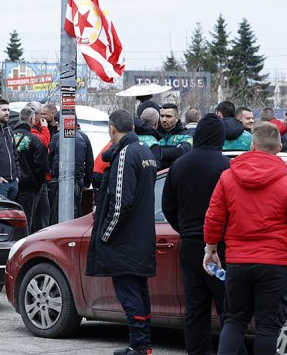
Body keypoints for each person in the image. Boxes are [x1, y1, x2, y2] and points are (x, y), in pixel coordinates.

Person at [204, 121, 287, 355]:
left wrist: (210, 248)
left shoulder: (228, 178)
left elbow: (214, 217)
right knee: (267, 327)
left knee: (234, 320)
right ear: (280, 147)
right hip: (275, 263)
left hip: (238, 262)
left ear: (252, 145)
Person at [86, 109, 158, 355]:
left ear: (111, 128)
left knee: (129, 295)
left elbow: (121, 201)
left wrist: (105, 234)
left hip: (125, 241)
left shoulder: (127, 154)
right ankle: (142, 345)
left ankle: (139, 346)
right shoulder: (144, 151)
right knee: (139, 292)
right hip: (140, 238)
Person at [161, 113, 231, 355]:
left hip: (189, 244)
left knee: (195, 305)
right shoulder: (226, 166)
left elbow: (167, 206)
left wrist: (184, 228)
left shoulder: (179, 165)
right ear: (220, 136)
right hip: (220, 246)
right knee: (227, 306)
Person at [47, 114, 94, 222]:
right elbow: (89, 162)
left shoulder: (57, 137)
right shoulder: (84, 137)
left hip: (58, 179)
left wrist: (51, 175)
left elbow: (49, 158)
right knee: (75, 208)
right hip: (77, 180)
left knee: (56, 210)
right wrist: (86, 182)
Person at [13, 107, 49, 231]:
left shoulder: (8, 136)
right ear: (33, 120)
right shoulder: (35, 140)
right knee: (27, 220)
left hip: (12, 183)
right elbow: (42, 165)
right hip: (30, 186)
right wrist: (39, 183)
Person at [155, 103, 193, 169]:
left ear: (177, 117)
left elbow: (182, 152)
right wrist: (174, 151)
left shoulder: (186, 135)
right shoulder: (154, 134)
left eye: (168, 116)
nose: (164, 119)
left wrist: (158, 152)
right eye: (162, 116)